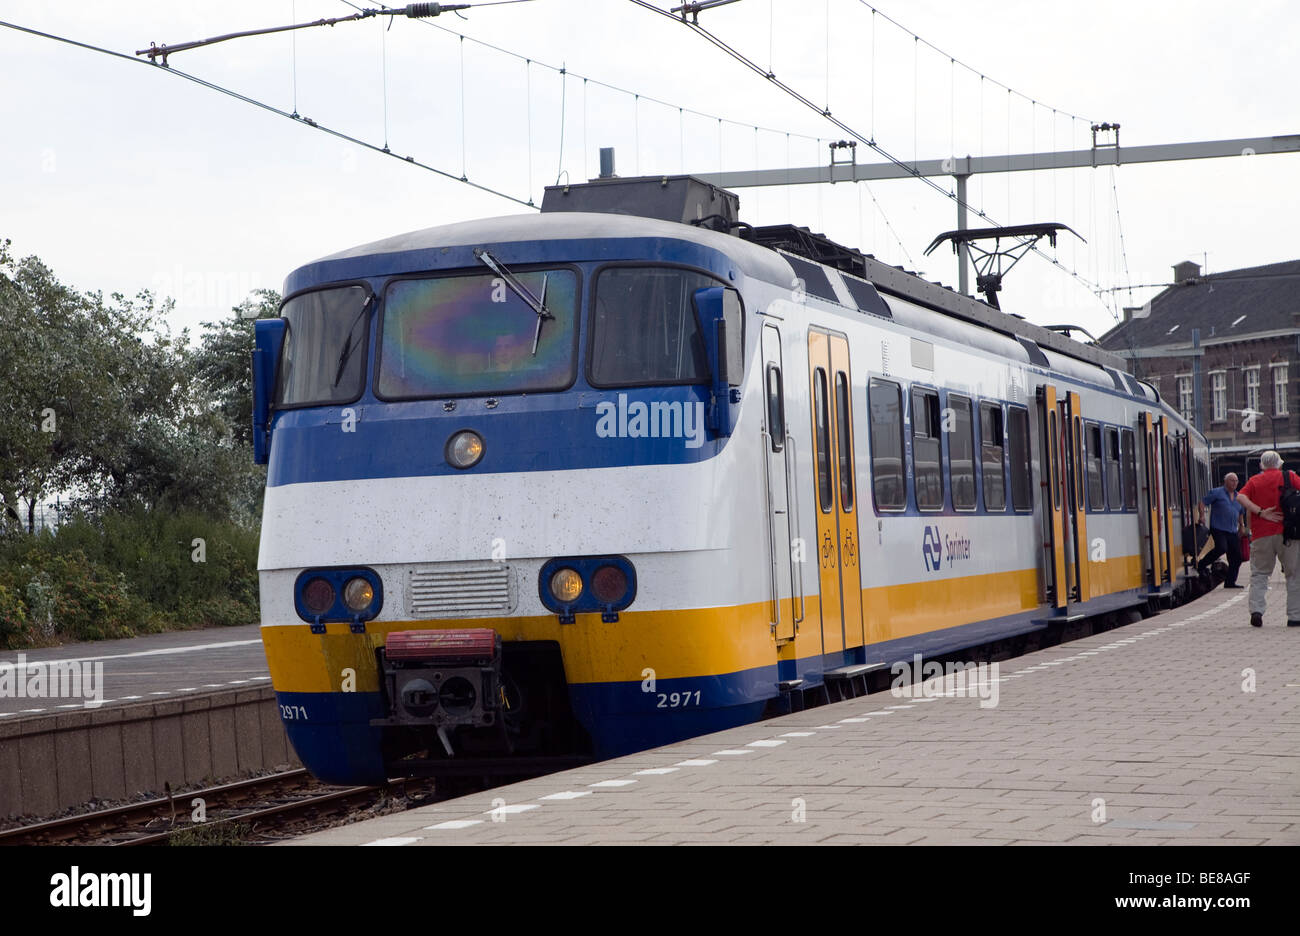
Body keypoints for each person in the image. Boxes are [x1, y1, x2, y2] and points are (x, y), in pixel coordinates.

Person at [1235, 451, 1300, 628]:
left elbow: (1240, 496)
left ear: (1262, 465)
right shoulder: (1290, 477)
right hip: (1288, 534)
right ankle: (1294, 617)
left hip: (1261, 534)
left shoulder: (1255, 480)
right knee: (1294, 575)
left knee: (1259, 575)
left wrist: (1260, 511)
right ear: (1279, 464)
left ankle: (1257, 611)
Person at [1198, 472, 1246, 588]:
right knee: (1221, 548)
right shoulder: (1217, 492)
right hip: (1218, 528)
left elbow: (1240, 513)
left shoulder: (1239, 496)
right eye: (1231, 480)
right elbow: (1203, 502)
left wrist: (1242, 525)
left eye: (1236, 481)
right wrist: (1202, 516)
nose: (1234, 483)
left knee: (1237, 558)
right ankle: (1202, 564)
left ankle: (1230, 582)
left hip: (1232, 530)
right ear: (1226, 481)